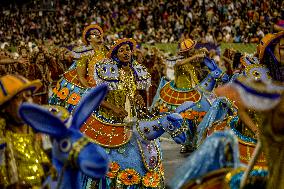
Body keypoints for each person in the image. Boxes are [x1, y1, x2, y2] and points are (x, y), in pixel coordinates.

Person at [79, 38, 163, 189]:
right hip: (109, 120)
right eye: (122, 50)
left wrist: (137, 95)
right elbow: (94, 97)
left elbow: (131, 90)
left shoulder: (134, 70)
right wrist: (112, 107)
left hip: (131, 118)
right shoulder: (106, 71)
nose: (126, 53)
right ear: (116, 54)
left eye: (128, 50)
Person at [0, 75, 50, 188]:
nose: (26, 101)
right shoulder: (2, 141)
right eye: (18, 98)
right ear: (4, 107)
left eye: (28, 96)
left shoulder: (44, 131)